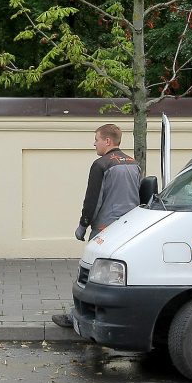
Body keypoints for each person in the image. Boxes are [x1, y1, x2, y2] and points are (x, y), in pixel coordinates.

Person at [52, 123, 141, 328]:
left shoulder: (101, 164)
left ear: (107, 141)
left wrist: (83, 224)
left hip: (104, 229)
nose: (94, 143)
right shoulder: (133, 164)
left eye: (97, 139)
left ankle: (78, 316)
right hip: (129, 229)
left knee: (89, 275)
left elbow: (93, 200)